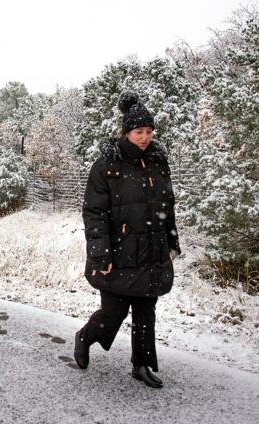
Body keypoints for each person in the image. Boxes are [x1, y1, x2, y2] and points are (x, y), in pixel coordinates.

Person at [74, 91, 181, 389]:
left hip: (152, 251)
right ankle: (85, 336)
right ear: (125, 132)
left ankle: (142, 364)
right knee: (113, 313)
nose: (145, 137)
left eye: (148, 131)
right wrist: (100, 255)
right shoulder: (107, 165)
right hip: (119, 253)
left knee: (146, 312)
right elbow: (94, 214)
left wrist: (171, 240)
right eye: (138, 132)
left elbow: (166, 205)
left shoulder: (158, 163)